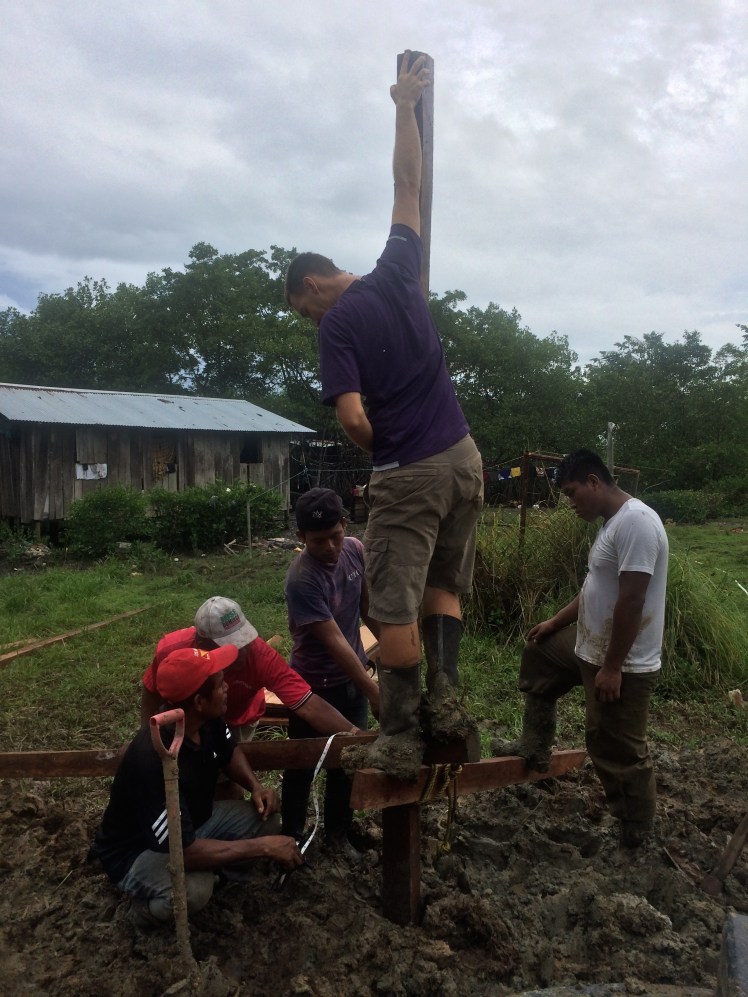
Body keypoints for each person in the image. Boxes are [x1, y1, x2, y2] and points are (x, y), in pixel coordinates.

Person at [284, 53, 484, 779]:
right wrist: (404, 104)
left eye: (305, 305)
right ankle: (450, 696)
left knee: (393, 607)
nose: (311, 315)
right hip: (465, 459)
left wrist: (383, 446)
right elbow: (409, 182)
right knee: (444, 587)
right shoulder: (401, 266)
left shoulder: (335, 329)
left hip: (412, 469)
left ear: (311, 285)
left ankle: (401, 731)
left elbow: (352, 421)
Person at [494, 449, 669, 848]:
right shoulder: (612, 525)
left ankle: (636, 832)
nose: (571, 504)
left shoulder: (638, 523)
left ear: (594, 481)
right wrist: (556, 622)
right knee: (540, 652)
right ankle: (535, 747)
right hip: (587, 645)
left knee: (615, 747)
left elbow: (631, 601)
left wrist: (612, 667)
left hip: (621, 660)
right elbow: (596, 588)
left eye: (573, 493)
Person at [93, 645, 303, 928]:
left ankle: (218, 870)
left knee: (266, 818)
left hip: (193, 825)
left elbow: (229, 751)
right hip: (140, 851)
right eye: (220, 684)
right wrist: (263, 848)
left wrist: (255, 786)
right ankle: (140, 913)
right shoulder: (153, 760)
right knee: (194, 891)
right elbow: (184, 851)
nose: (227, 687)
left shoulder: (208, 719)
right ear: (199, 702)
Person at [282, 488, 380, 857]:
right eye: (318, 540)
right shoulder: (302, 579)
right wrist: (373, 691)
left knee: (347, 762)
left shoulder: (354, 549)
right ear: (301, 537)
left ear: (344, 524)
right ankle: (290, 836)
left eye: (335, 535)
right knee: (302, 765)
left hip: (353, 678)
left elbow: (366, 608)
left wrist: (397, 655)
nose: (330, 547)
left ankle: (339, 835)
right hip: (313, 688)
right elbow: (334, 642)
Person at [140, 596, 360, 747]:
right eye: (232, 645)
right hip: (190, 717)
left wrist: (356, 735)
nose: (243, 651)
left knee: (230, 777)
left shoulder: (260, 656)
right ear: (202, 643)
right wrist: (148, 735)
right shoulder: (173, 651)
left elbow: (308, 705)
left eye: (243, 639)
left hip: (238, 719)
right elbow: (151, 690)